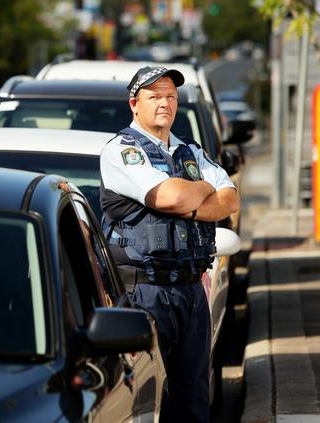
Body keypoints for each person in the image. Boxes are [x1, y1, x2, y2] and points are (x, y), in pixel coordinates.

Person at [99, 66, 240, 423]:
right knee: (148, 406)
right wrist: (199, 192)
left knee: (193, 402)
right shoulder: (121, 151)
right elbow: (171, 196)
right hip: (145, 295)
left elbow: (229, 200)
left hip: (192, 292)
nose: (165, 103)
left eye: (170, 97)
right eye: (155, 96)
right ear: (135, 104)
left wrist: (189, 202)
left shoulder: (190, 150)